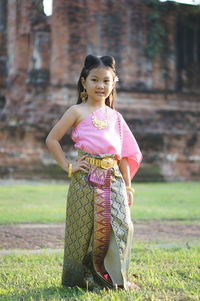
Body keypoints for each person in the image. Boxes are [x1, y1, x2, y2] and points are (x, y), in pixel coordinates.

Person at [46, 54, 143, 291]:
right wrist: (68, 166)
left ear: (113, 83)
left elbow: (124, 156)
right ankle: (80, 280)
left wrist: (128, 186)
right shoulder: (76, 111)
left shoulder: (116, 117)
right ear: (84, 82)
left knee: (123, 226)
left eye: (106, 81)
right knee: (83, 230)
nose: (101, 85)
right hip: (84, 179)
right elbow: (52, 139)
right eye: (95, 79)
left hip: (114, 180)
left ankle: (115, 279)